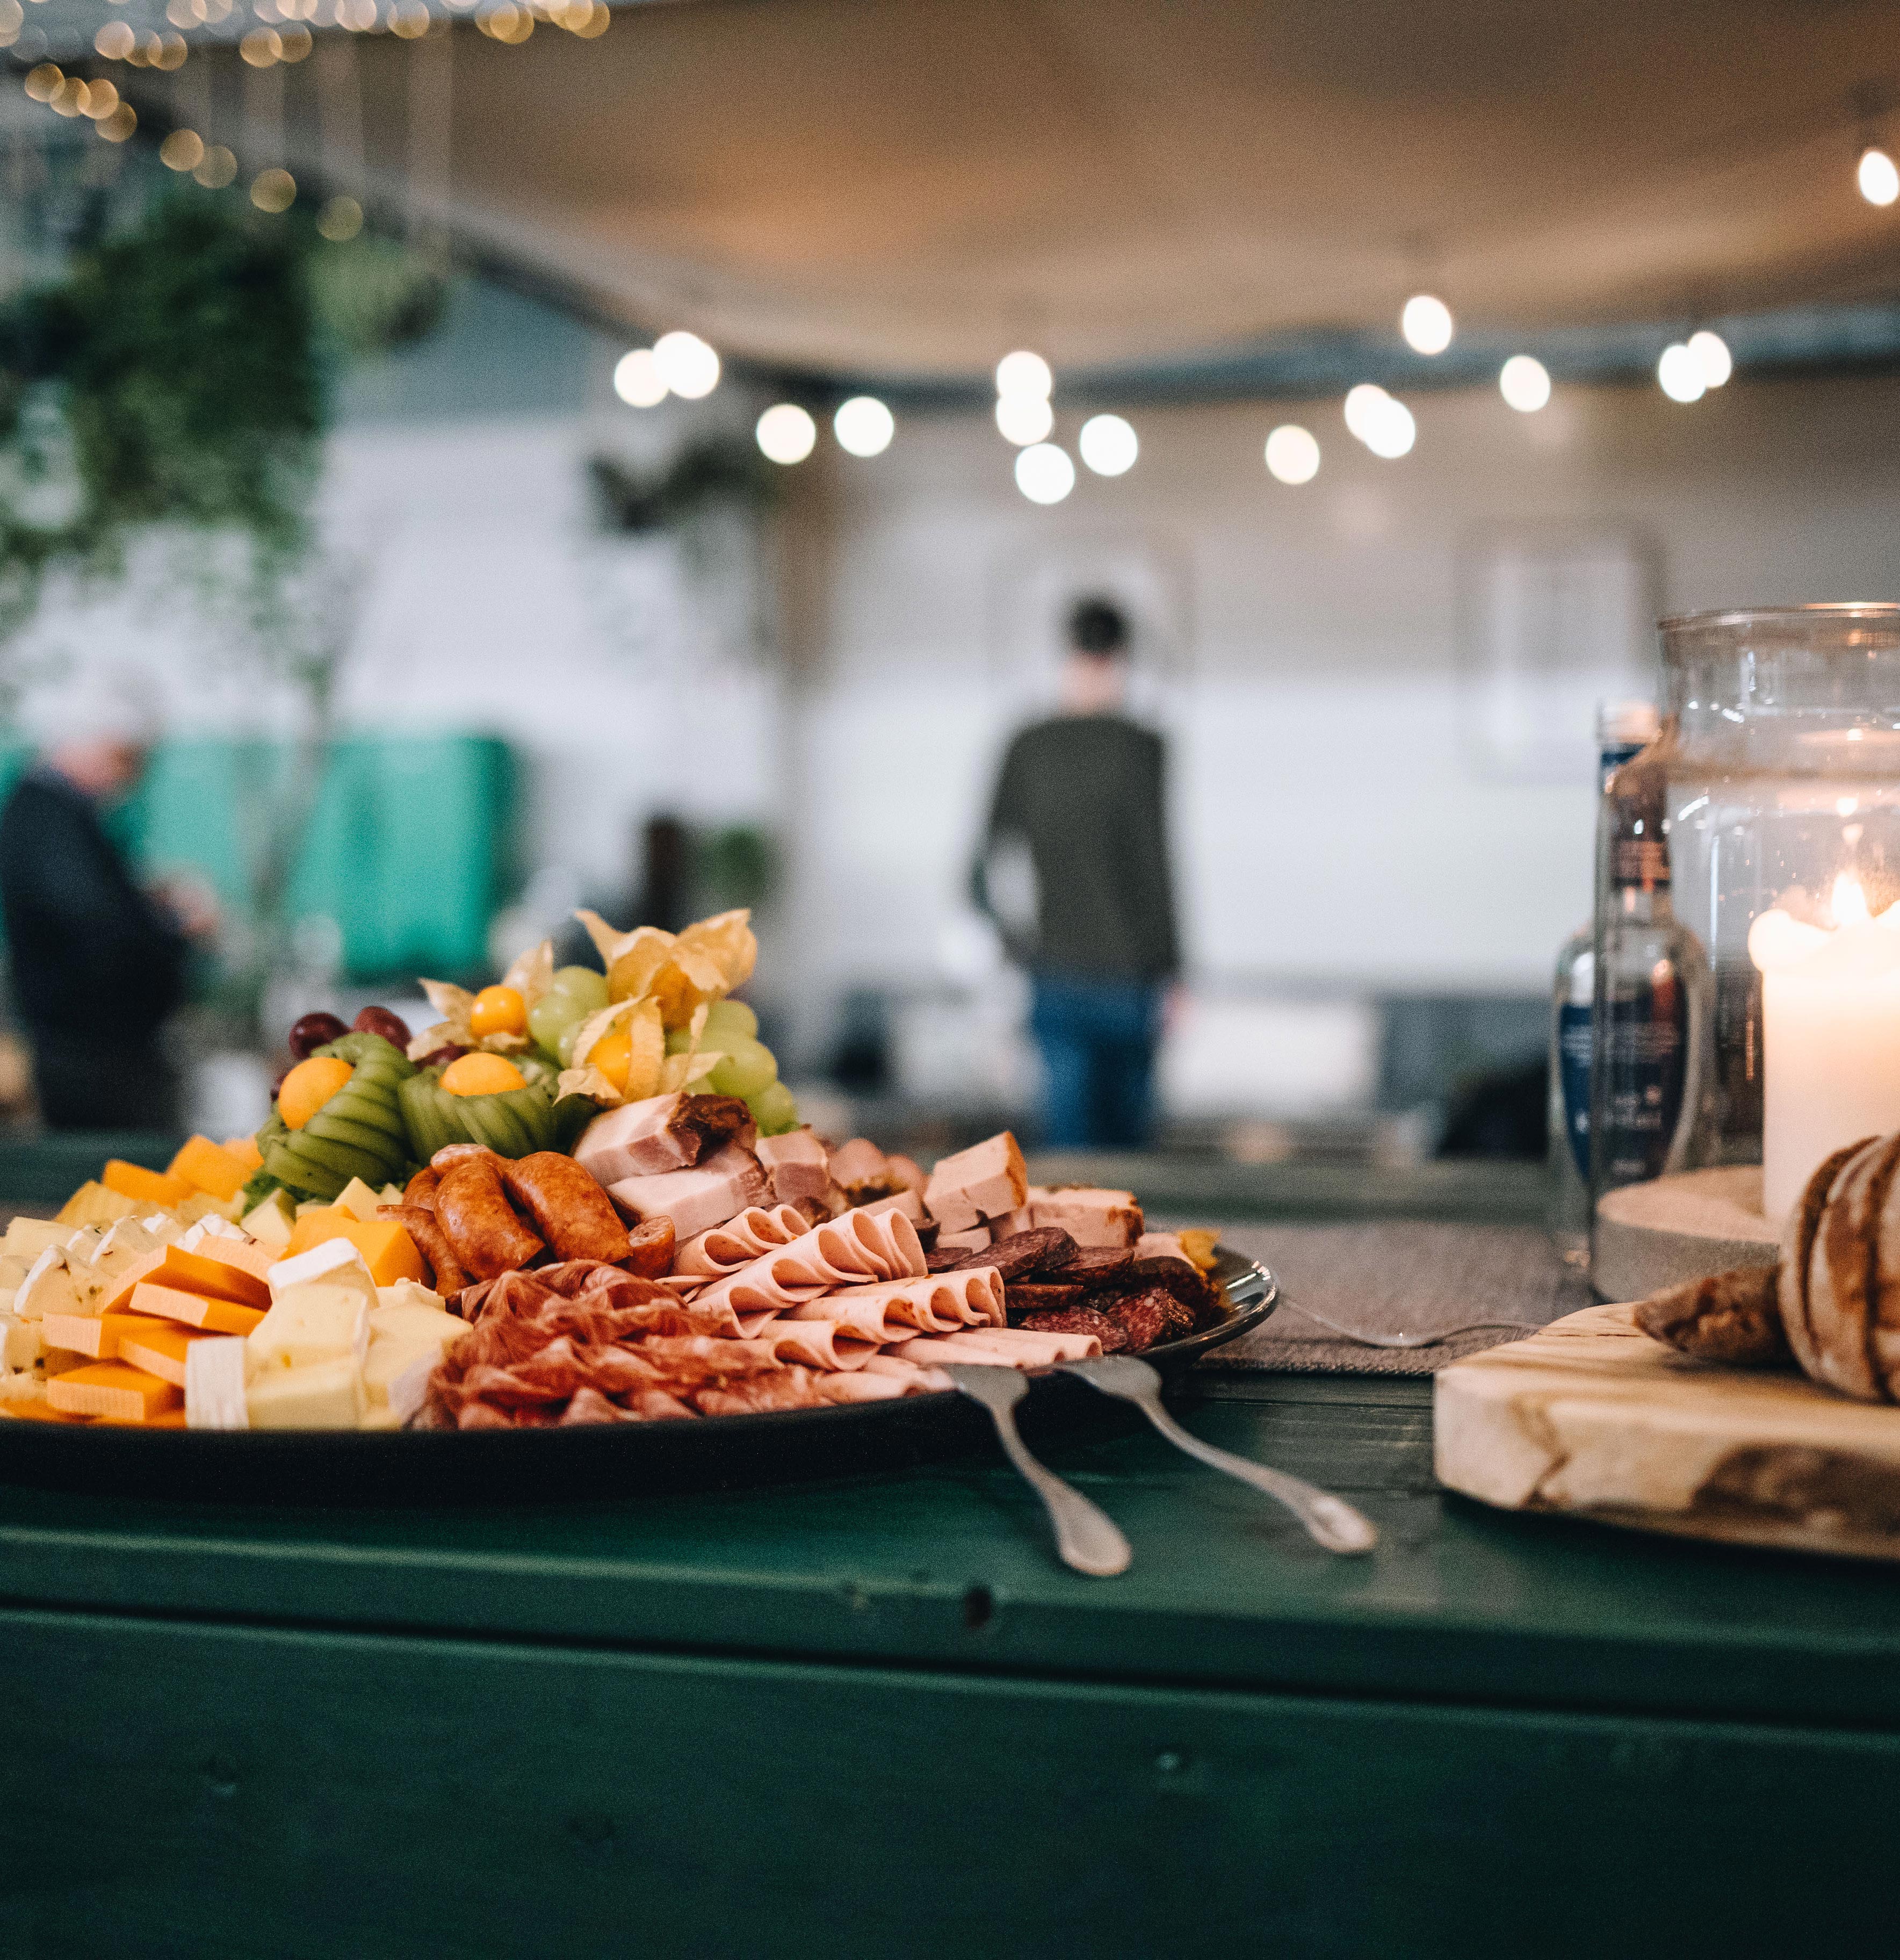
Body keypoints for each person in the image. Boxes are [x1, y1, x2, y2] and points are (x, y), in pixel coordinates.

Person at [973, 596, 1180, 1148]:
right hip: (1133, 976)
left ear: (1067, 650)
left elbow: (980, 868)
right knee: (1133, 1156)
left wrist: (1017, 942)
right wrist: (1175, 969)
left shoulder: (1028, 744)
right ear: (1123, 657)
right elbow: (1156, 864)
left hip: (1055, 974)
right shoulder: (1143, 746)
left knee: (1070, 1158)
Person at [0, 697, 207, 1129]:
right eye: (124, 758)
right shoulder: (48, 818)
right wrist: (173, 931)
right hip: (91, 1050)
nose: (127, 777)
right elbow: (98, 928)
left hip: (94, 1044)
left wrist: (148, 905)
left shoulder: (58, 817)